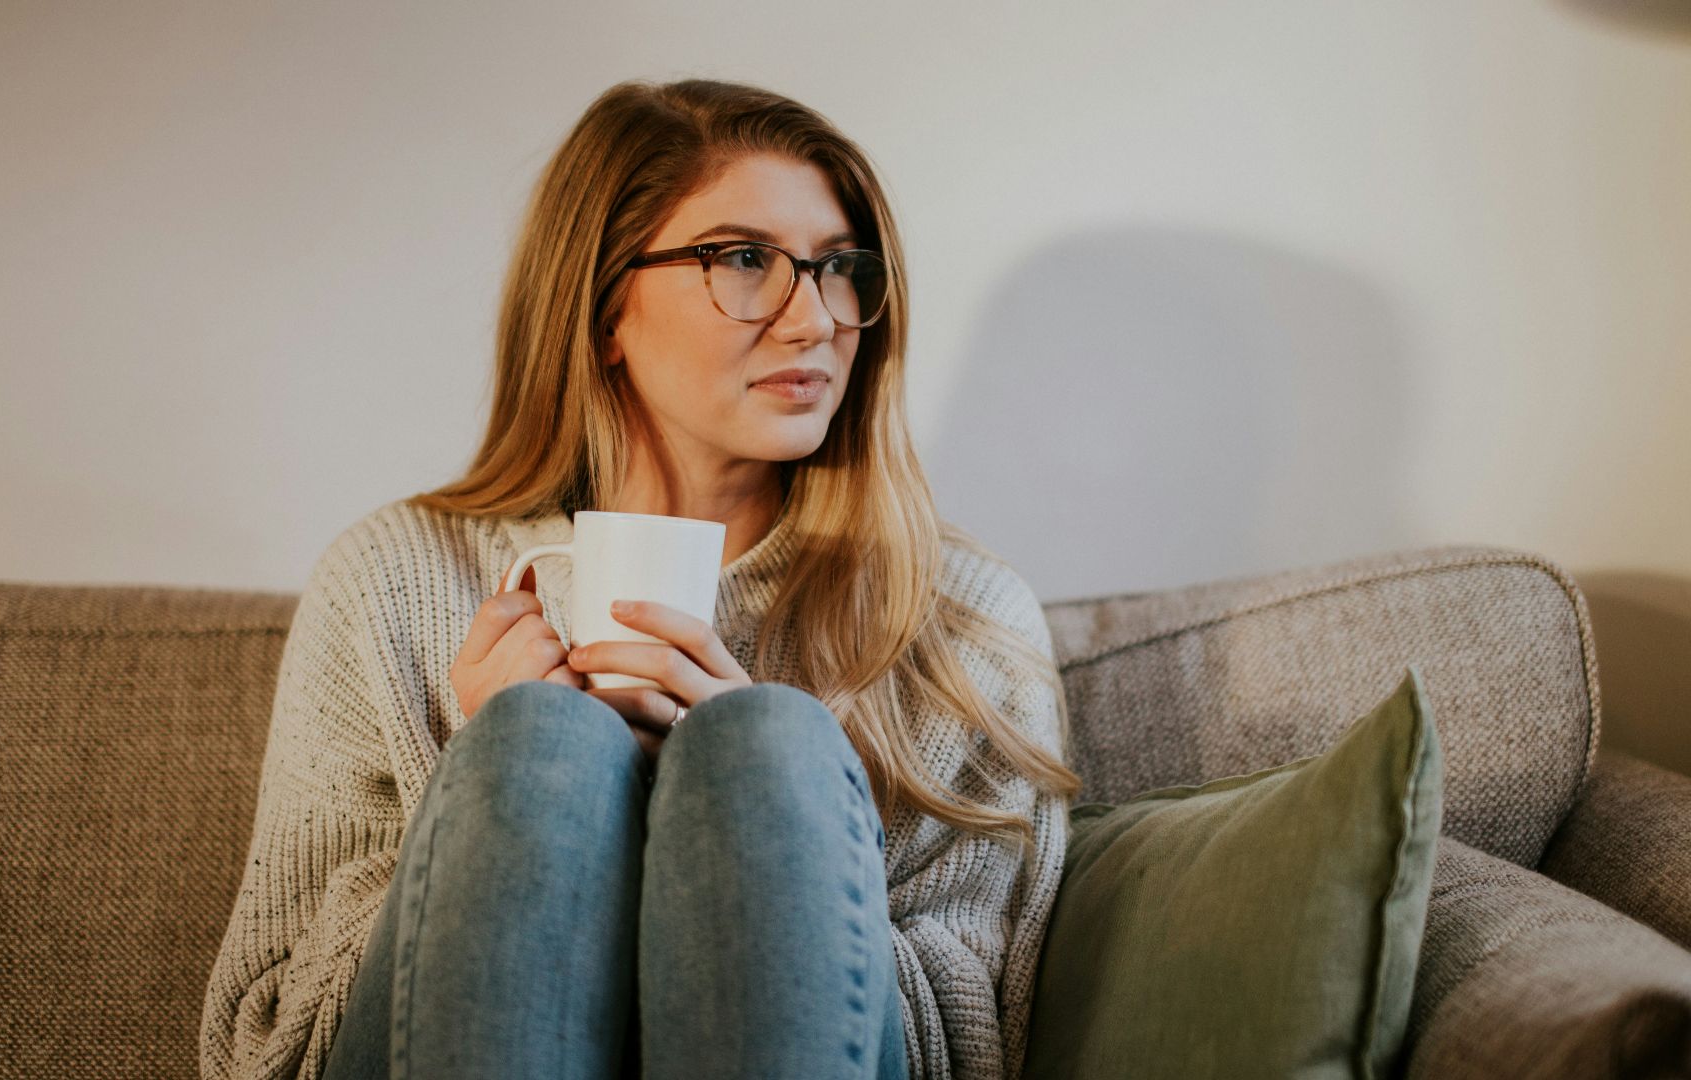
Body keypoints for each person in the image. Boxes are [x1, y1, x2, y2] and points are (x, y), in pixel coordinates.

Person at [198, 77, 1081, 1080]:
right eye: (746, 261)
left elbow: (979, 1046)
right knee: (535, 744)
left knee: (765, 744)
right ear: (605, 304)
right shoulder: (394, 580)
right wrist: (490, 791)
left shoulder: (956, 619)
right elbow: (268, 1048)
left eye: (840, 269)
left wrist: (765, 822)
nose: (815, 321)